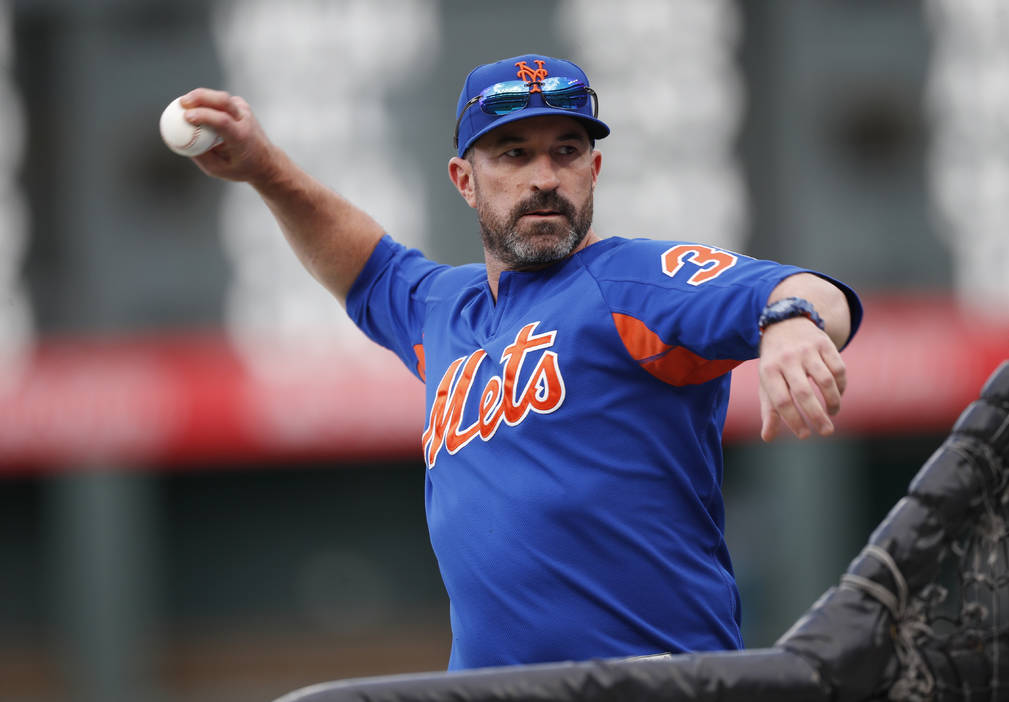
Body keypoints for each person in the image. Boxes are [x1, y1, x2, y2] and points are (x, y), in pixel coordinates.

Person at [179, 54, 862, 670]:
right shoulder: (443, 310)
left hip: (657, 683)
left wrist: (791, 323)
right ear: (464, 180)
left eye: (566, 151)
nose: (544, 178)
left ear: (592, 170)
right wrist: (265, 170)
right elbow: (365, 264)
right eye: (512, 153)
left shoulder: (629, 282)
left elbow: (806, 292)